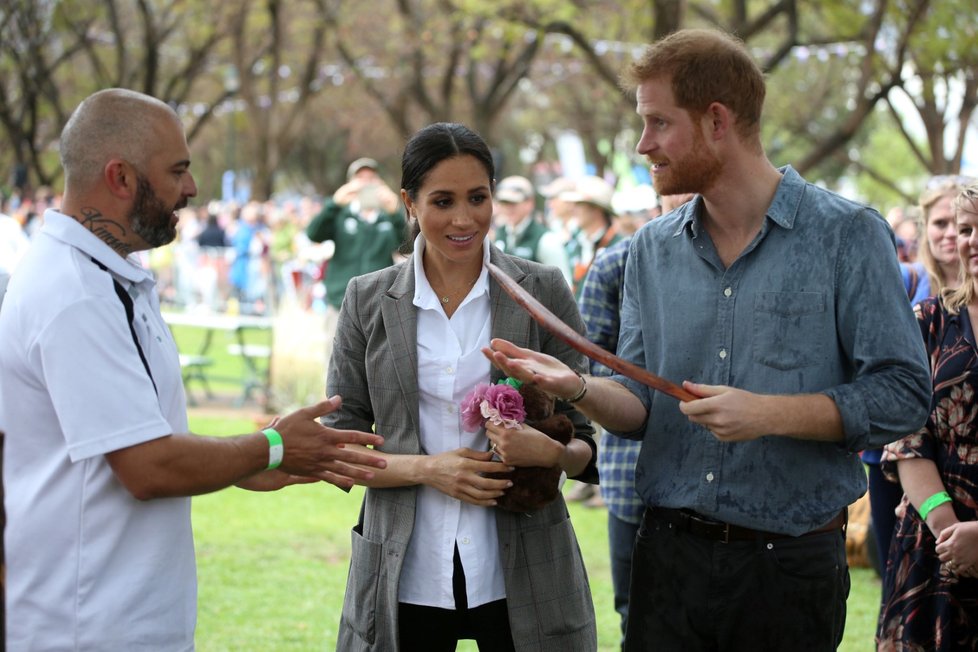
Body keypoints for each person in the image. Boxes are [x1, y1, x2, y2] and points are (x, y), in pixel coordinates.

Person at [483, 29, 931, 651]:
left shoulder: (847, 235)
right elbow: (641, 409)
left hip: (791, 568)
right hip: (666, 558)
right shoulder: (648, 251)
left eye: (658, 123)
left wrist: (768, 413)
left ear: (717, 120)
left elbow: (905, 393)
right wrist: (579, 388)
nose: (644, 145)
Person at [0, 88, 387, 651]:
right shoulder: (74, 293)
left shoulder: (108, 276)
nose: (191, 188)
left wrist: (249, 460)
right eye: (177, 170)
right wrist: (272, 447)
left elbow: (148, 441)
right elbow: (147, 467)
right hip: (84, 627)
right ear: (121, 178)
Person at [326, 122, 599, 651]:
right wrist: (430, 470)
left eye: (478, 198)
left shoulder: (540, 290)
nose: (463, 218)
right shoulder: (367, 299)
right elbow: (341, 447)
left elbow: (586, 445)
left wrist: (549, 451)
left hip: (524, 564)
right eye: (442, 200)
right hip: (405, 567)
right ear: (409, 202)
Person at [876, 182, 978, 650]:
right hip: (934, 546)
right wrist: (950, 533)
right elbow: (907, 436)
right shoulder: (928, 321)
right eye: (965, 229)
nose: (971, 240)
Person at [305, 156, 406, 311]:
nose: (365, 183)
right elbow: (313, 233)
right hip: (342, 300)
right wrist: (334, 203)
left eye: (371, 178)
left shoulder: (387, 217)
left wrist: (395, 213)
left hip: (379, 304)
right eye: (360, 178)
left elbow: (407, 247)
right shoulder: (340, 213)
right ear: (350, 183)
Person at [493, 175, 573, 285]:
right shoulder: (500, 233)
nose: (508, 208)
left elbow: (564, 287)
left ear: (529, 203)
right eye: (504, 203)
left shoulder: (546, 240)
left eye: (513, 203)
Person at [562, 175, 624, 298]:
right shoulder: (575, 243)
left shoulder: (619, 245)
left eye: (579, 204)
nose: (572, 209)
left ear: (596, 209)